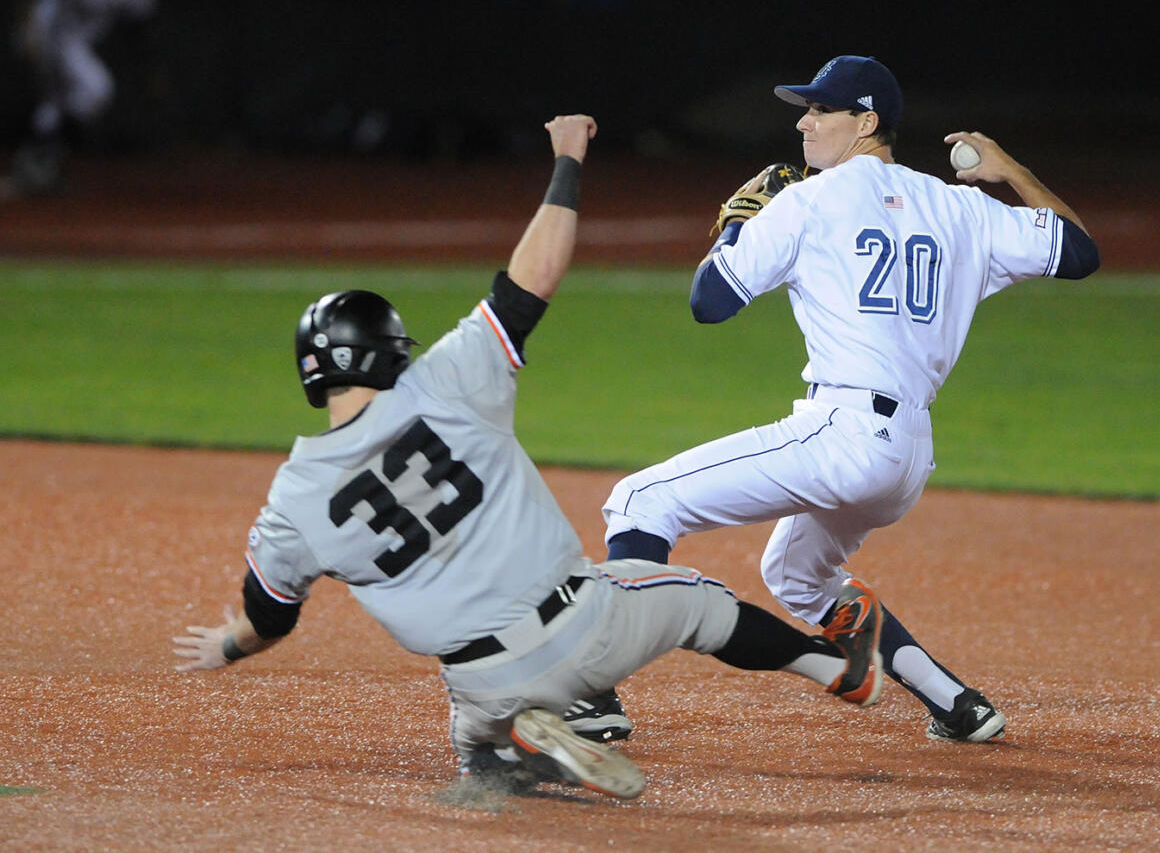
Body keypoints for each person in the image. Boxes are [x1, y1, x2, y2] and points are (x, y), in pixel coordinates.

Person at [171, 113, 890, 801]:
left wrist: (227, 648)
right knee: (700, 604)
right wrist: (568, 160)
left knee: (479, 753)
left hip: (479, 682)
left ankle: (511, 744)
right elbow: (531, 277)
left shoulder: (292, 500)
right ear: (390, 350)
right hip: (585, 629)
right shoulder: (444, 382)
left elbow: (270, 618)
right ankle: (839, 671)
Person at [593, 55, 1100, 744]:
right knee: (797, 574)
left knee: (638, 502)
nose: (803, 122)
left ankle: (588, 690)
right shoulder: (961, 206)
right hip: (909, 457)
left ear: (866, 123)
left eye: (820, 110)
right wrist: (1009, 169)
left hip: (844, 433)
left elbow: (709, 302)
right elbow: (1078, 251)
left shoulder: (808, 200)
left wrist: (743, 222)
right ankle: (956, 702)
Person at [7, 0, 156, 196]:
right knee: (96, 89)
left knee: (57, 105)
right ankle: (39, 163)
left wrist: (146, 66)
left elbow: (140, 19)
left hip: (77, 42)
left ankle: (40, 162)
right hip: (52, 37)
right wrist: (33, 31)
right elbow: (47, 2)